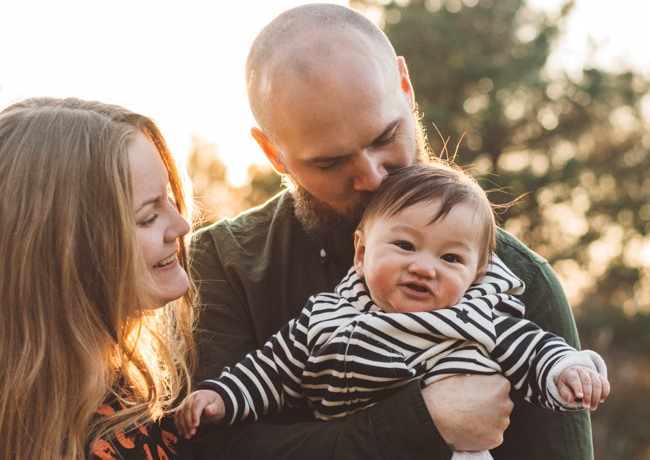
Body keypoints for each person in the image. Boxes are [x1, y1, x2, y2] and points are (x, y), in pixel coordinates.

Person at [189, 3, 594, 459]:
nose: (374, 177)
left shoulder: (519, 281)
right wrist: (422, 422)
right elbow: (214, 451)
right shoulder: (221, 264)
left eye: (386, 138)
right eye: (330, 162)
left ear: (406, 87)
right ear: (273, 152)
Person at [179, 163, 610, 460]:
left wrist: (567, 371)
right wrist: (221, 398)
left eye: (451, 259)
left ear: (477, 274)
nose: (424, 267)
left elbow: (536, 352)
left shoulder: (479, 318)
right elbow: (270, 371)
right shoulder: (324, 317)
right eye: (404, 246)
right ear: (362, 251)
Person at [0, 97, 197, 460]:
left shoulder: (109, 384)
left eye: (169, 199)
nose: (182, 225)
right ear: (66, 252)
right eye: (148, 217)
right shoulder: (71, 441)